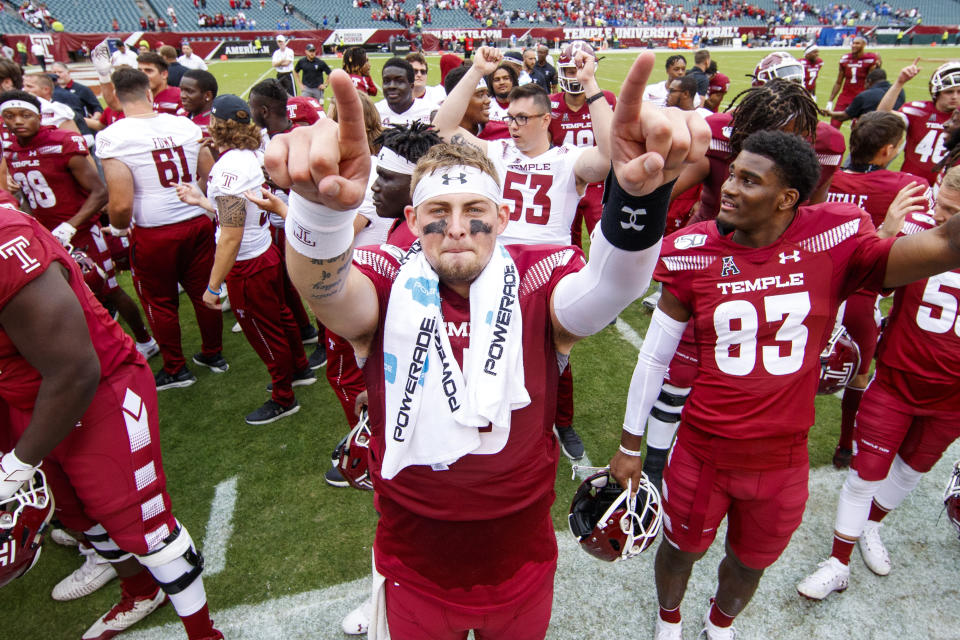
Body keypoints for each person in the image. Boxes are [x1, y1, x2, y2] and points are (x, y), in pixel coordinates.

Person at [265, 52, 708, 640]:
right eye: (437, 212)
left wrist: (640, 202)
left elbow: (612, 288)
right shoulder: (384, 275)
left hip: (517, 560)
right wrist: (317, 213)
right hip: (413, 560)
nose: (455, 227)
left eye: (473, 210)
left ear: (501, 217)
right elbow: (323, 290)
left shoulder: (540, 274)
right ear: (412, 217)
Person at [615, 129, 960, 640]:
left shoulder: (835, 236)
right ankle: (669, 617)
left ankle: (719, 621)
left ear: (787, 198)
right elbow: (655, 356)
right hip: (705, 449)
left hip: (782, 457)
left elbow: (946, 245)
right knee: (681, 548)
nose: (729, 187)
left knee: (751, 562)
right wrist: (629, 443)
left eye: (748, 180)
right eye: (732, 173)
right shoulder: (691, 250)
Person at [0, 203, 223, 640]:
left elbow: (75, 371)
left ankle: (204, 634)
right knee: (78, 514)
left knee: (145, 525)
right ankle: (140, 591)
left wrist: (16, 464)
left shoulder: (5, 243)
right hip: (24, 395)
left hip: (96, 390)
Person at [434, 46, 614, 460]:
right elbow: (443, 128)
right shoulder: (495, 152)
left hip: (549, 267)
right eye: (509, 118)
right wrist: (477, 70)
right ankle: (489, 416)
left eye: (522, 119)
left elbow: (607, 159)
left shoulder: (568, 160)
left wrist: (589, 84)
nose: (513, 126)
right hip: (497, 265)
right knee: (490, 347)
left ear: (546, 119)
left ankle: (561, 421)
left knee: (552, 352)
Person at [796, 166, 960, 600]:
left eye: (953, 213)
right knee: (864, 474)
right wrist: (887, 233)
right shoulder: (916, 229)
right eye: (941, 204)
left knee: (912, 469)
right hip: (898, 378)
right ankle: (837, 561)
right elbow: (870, 285)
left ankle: (871, 525)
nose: (941, 218)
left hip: (954, 397)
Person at [175, 95, 313, 424]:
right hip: (266, 250)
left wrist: (212, 286)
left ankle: (284, 397)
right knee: (282, 316)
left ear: (217, 126)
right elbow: (237, 217)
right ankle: (300, 369)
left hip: (248, 263)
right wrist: (200, 202)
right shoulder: (252, 154)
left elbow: (232, 234)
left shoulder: (227, 169)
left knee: (263, 332)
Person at [0, 90, 157, 360]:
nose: (17, 121)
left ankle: (145, 340)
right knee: (66, 295)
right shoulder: (12, 151)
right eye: (9, 116)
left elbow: (100, 192)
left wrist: (70, 226)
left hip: (82, 232)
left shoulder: (62, 142)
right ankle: (91, 348)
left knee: (108, 289)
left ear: (39, 116)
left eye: (25, 115)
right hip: (48, 235)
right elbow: (32, 197)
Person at [97, 67, 225, 391]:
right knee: (203, 292)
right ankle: (213, 354)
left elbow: (122, 203)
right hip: (196, 219)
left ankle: (176, 369)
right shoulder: (183, 124)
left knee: (160, 301)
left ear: (113, 95)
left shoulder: (115, 135)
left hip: (156, 231)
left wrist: (118, 229)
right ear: (149, 93)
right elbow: (209, 174)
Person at [824, 111, 932, 467]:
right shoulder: (907, 185)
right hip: (862, 297)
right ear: (887, 151)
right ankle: (844, 445)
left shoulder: (829, 180)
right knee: (859, 372)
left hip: (818, 286)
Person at [878, 59, 960, 186]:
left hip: (947, 187)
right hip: (911, 183)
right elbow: (881, 115)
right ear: (936, 92)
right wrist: (900, 83)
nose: (955, 96)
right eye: (949, 91)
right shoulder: (917, 110)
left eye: (959, 92)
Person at [825, 36, 881, 128]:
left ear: (864, 45)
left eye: (857, 43)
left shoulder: (870, 59)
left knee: (860, 127)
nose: (854, 45)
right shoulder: (845, 58)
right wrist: (830, 101)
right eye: (853, 43)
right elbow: (839, 82)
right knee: (834, 124)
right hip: (845, 96)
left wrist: (878, 67)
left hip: (861, 97)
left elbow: (871, 81)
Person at [443, 65, 508, 142]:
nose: (488, 100)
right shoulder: (436, 138)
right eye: (480, 95)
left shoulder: (505, 131)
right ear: (457, 100)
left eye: (487, 94)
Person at [825, 68, 904, 124]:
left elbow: (844, 116)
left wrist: (830, 113)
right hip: (894, 134)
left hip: (872, 134)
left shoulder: (864, 96)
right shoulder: (899, 91)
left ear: (869, 81)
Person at [375, 57, 432, 127]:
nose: (391, 86)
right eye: (386, 81)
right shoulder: (374, 113)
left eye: (399, 81)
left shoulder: (430, 112)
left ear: (411, 86)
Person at [178, 68, 218, 136]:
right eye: (181, 90)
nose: (182, 96)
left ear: (207, 95)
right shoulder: (181, 117)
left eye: (189, 91)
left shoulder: (217, 124)